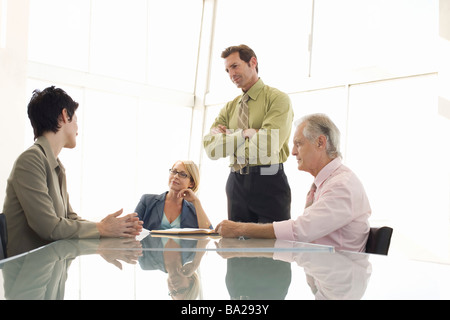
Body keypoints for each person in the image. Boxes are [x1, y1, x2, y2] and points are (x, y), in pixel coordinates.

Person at [2, 86, 143, 257]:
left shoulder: (55, 164)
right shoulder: (31, 160)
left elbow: (69, 218)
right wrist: (102, 228)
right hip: (27, 275)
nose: (77, 127)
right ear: (63, 116)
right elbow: (49, 227)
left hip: (49, 267)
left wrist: (110, 227)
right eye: (75, 119)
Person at [216, 113, 371, 252]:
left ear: (320, 142)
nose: (293, 152)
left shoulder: (341, 185)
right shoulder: (327, 183)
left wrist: (240, 229)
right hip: (322, 272)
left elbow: (300, 232)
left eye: (299, 144)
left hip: (336, 279)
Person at [203, 44, 293, 223]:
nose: (231, 74)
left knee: (272, 247)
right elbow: (212, 150)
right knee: (237, 246)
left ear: (253, 62)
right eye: (227, 70)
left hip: (269, 180)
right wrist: (244, 133)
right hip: (236, 182)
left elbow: (268, 146)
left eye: (235, 66)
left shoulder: (277, 99)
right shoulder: (229, 108)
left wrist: (229, 139)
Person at [134, 160, 212, 230]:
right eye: (174, 171)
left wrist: (196, 202)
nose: (175, 176)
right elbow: (131, 228)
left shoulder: (194, 209)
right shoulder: (147, 201)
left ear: (191, 183)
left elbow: (210, 234)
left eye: (182, 174)